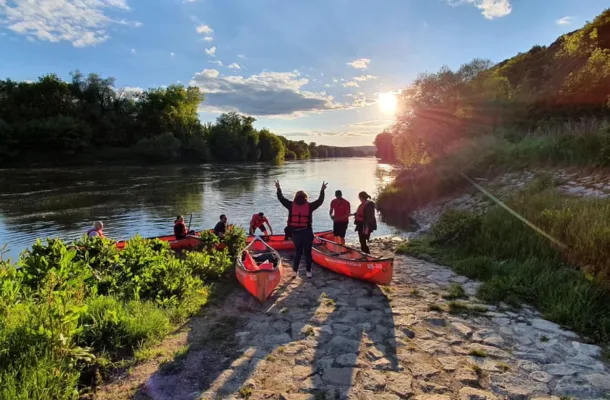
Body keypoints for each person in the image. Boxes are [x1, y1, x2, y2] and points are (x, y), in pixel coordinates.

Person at [276, 180, 327, 278]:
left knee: (298, 252)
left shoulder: (291, 205)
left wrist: (278, 188)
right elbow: (320, 201)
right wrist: (322, 190)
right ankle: (308, 272)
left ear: (295, 197)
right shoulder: (310, 206)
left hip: (296, 233)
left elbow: (281, 198)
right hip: (307, 232)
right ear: (305, 197)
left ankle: (295, 272)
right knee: (308, 253)